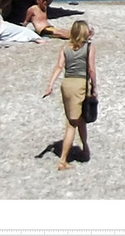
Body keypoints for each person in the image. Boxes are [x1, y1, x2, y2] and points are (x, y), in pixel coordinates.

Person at [41, 19, 96, 170]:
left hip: (66, 85)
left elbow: (59, 67)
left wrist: (50, 85)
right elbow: (91, 69)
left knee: (81, 119)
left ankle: (85, 149)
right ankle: (62, 161)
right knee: (72, 124)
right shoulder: (89, 47)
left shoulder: (65, 48)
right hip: (80, 86)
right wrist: (95, 87)